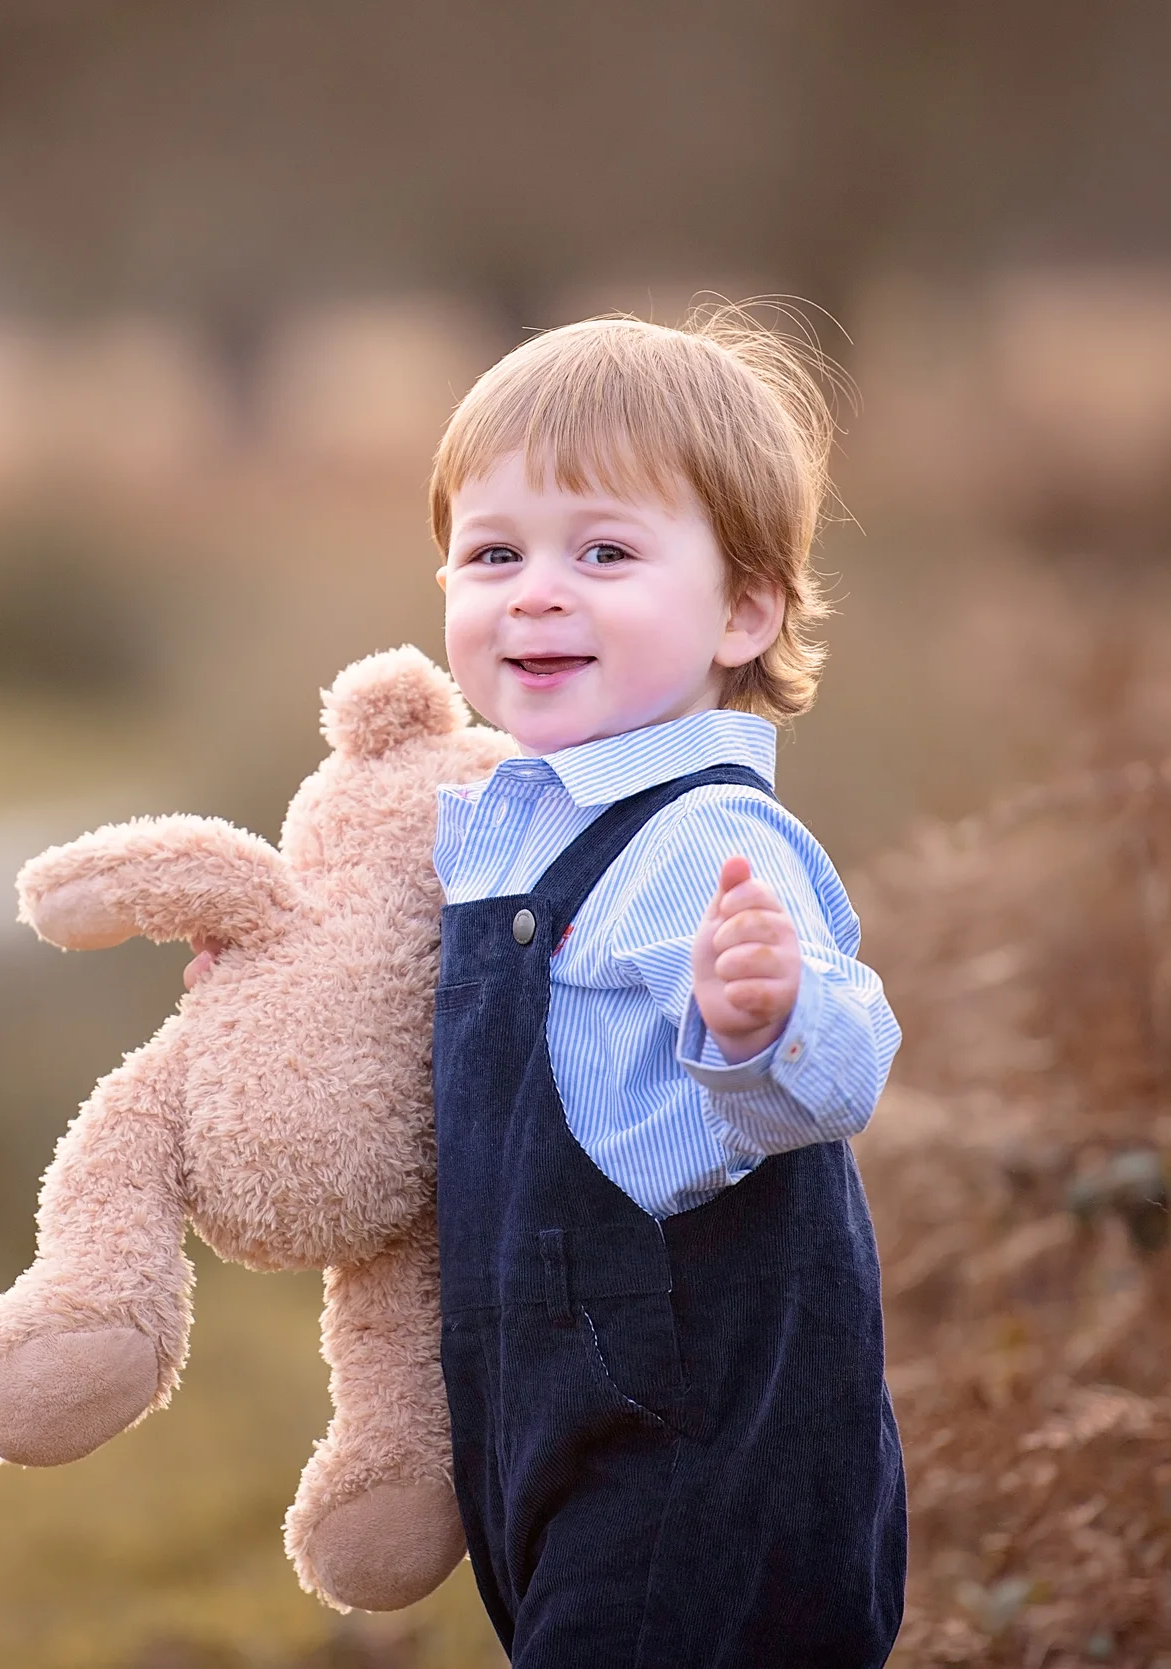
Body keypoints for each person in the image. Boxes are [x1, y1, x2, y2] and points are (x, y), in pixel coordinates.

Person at [421, 306, 905, 1665]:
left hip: (704, 1455)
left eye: (606, 552)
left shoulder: (705, 840)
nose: (536, 591)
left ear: (746, 608)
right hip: (552, 1427)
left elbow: (844, 1057)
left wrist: (765, 1019)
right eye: (494, 552)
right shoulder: (506, 826)